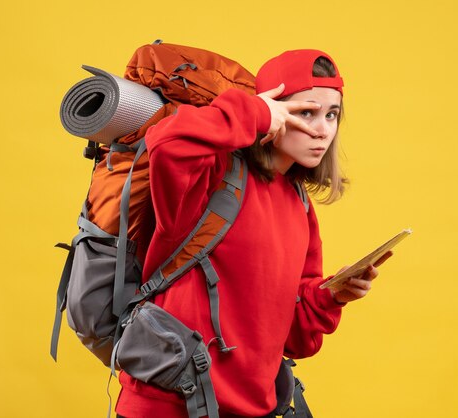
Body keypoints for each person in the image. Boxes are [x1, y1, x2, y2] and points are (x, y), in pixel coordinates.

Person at [115, 49, 392, 418]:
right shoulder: (213, 175)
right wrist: (254, 113)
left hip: (251, 409)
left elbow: (294, 338)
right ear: (274, 107)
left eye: (332, 115)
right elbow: (166, 145)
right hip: (168, 405)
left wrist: (330, 297)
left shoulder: (299, 205)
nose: (323, 129)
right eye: (306, 112)